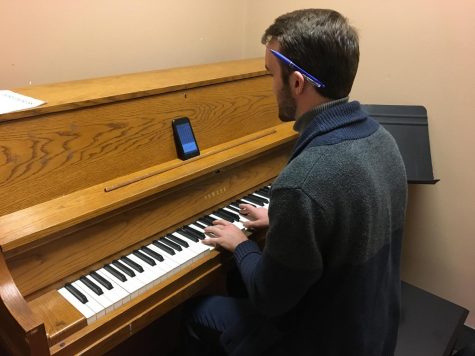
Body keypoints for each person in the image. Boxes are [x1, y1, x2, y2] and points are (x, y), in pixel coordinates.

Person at [179, 8, 407, 356]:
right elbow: (349, 216)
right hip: (372, 328)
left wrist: (241, 243)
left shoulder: (304, 179)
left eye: (271, 74)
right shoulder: (383, 139)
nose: (270, 86)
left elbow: (272, 299)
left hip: (323, 341)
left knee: (194, 312)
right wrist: (283, 220)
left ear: (297, 82)